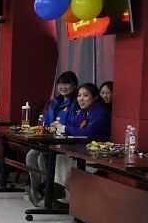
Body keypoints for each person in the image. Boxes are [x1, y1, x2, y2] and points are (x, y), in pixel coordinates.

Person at [24, 71, 79, 205]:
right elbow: (46, 121)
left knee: (42, 158)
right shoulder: (55, 102)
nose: (63, 87)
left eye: (67, 83)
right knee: (30, 156)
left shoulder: (76, 103)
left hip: (64, 141)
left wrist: (60, 126)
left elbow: (74, 124)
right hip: (50, 139)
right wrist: (46, 126)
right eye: (60, 84)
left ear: (75, 85)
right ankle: (36, 189)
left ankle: (48, 193)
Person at [53, 83, 112, 197]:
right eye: (79, 95)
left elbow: (87, 134)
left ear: (95, 97)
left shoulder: (101, 112)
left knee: (62, 158)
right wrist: (60, 127)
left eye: (85, 95)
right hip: (82, 150)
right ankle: (57, 194)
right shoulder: (84, 111)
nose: (81, 99)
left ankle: (57, 193)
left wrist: (64, 128)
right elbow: (72, 125)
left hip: (97, 155)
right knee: (56, 156)